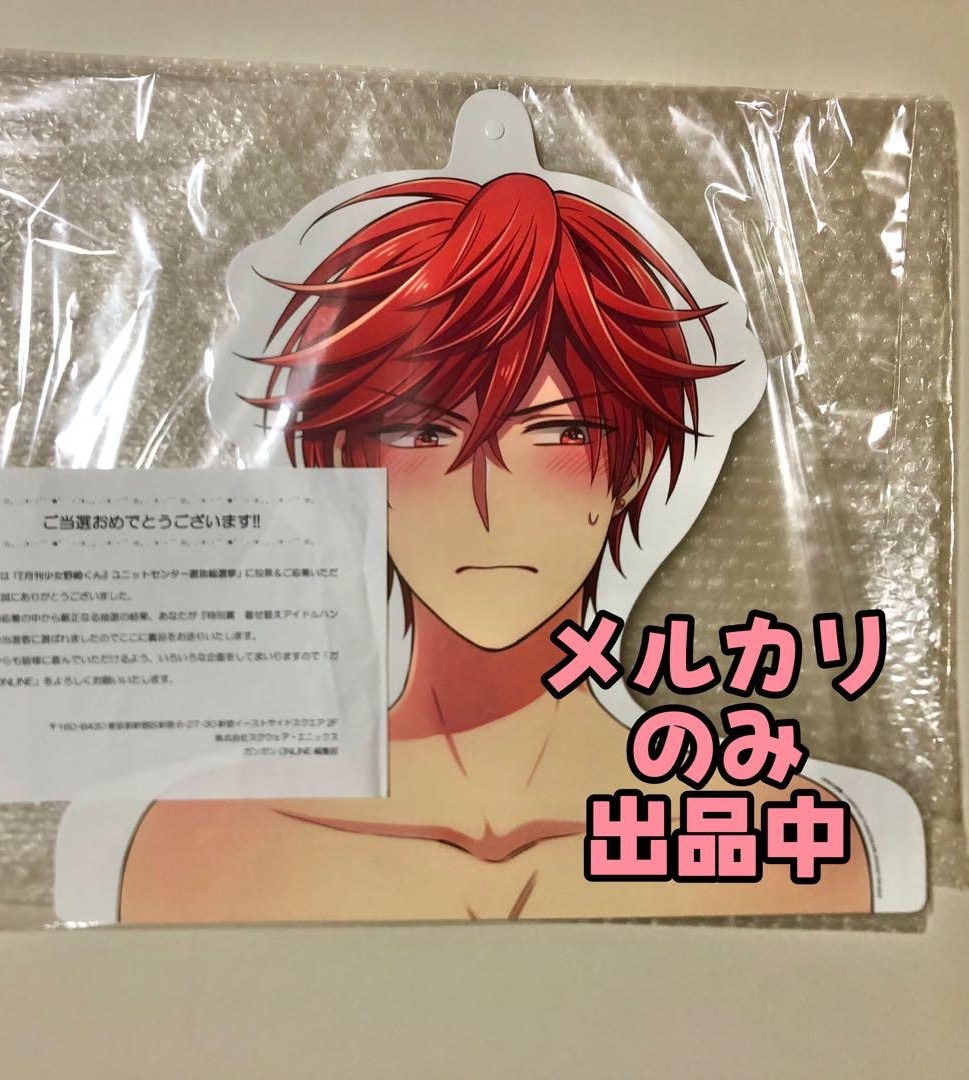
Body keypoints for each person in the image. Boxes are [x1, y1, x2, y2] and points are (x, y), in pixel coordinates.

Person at [118, 172, 871, 921]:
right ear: (351, 463)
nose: (489, 505)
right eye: (425, 432)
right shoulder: (208, 842)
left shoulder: (781, 838)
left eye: (562, 432)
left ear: (633, 467)